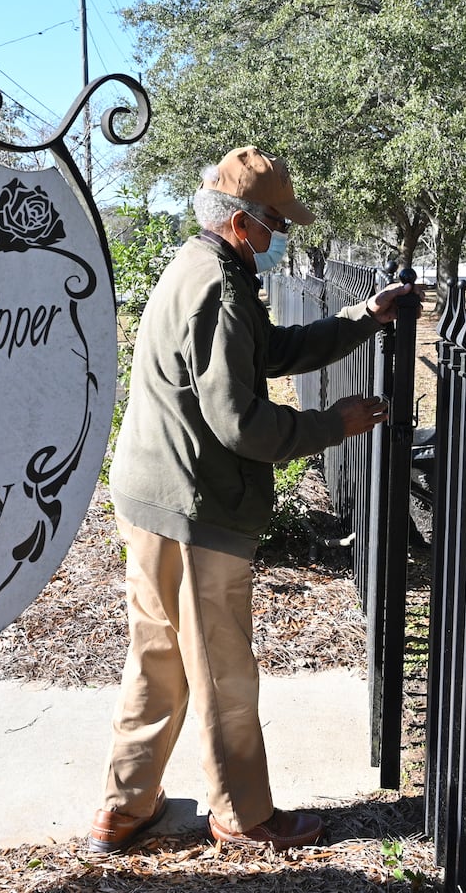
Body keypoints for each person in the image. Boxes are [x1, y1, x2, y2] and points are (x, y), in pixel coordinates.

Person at [89, 145, 420, 854]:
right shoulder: (220, 286)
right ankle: (242, 816)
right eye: (275, 224)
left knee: (157, 660)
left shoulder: (201, 269)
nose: (280, 238)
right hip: (192, 503)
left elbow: (266, 351)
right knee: (222, 671)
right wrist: (336, 423)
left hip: (154, 495)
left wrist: (364, 317)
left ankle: (124, 809)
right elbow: (240, 423)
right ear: (241, 222)